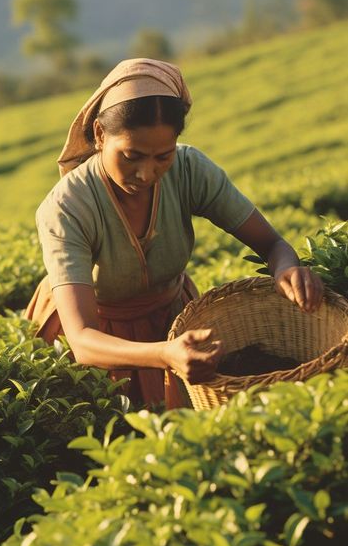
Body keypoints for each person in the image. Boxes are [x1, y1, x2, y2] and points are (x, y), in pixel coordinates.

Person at [24, 58, 324, 409]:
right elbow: (83, 340)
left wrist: (286, 267)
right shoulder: (67, 207)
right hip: (103, 341)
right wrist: (165, 354)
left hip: (170, 318)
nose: (147, 173)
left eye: (161, 157)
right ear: (100, 135)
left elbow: (271, 243)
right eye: (131, 156)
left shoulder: (189, 169)